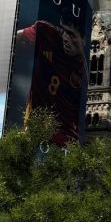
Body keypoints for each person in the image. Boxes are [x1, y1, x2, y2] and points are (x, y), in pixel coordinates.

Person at [13, 16, 88, 145]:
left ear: (84, 40)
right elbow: (11, 40)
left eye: (71, 35)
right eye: (64, 31)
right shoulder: (45, 32)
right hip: (35, 130)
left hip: (64, 141)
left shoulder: (83, 74)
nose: (65, 38)